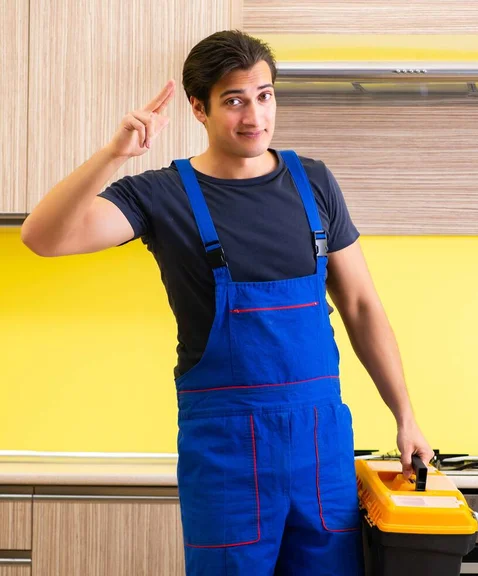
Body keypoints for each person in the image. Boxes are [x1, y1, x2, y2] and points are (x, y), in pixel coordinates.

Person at [21, 30, 434, 576]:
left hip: (321, 453)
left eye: (264, 96)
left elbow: (360, 306)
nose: (255, 116)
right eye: (235, 100)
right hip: (227, 459)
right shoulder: (160, 195)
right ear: (199, 107)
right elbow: (43, 238)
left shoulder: (314, 183)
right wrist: (112, 154)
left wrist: (405, 416)